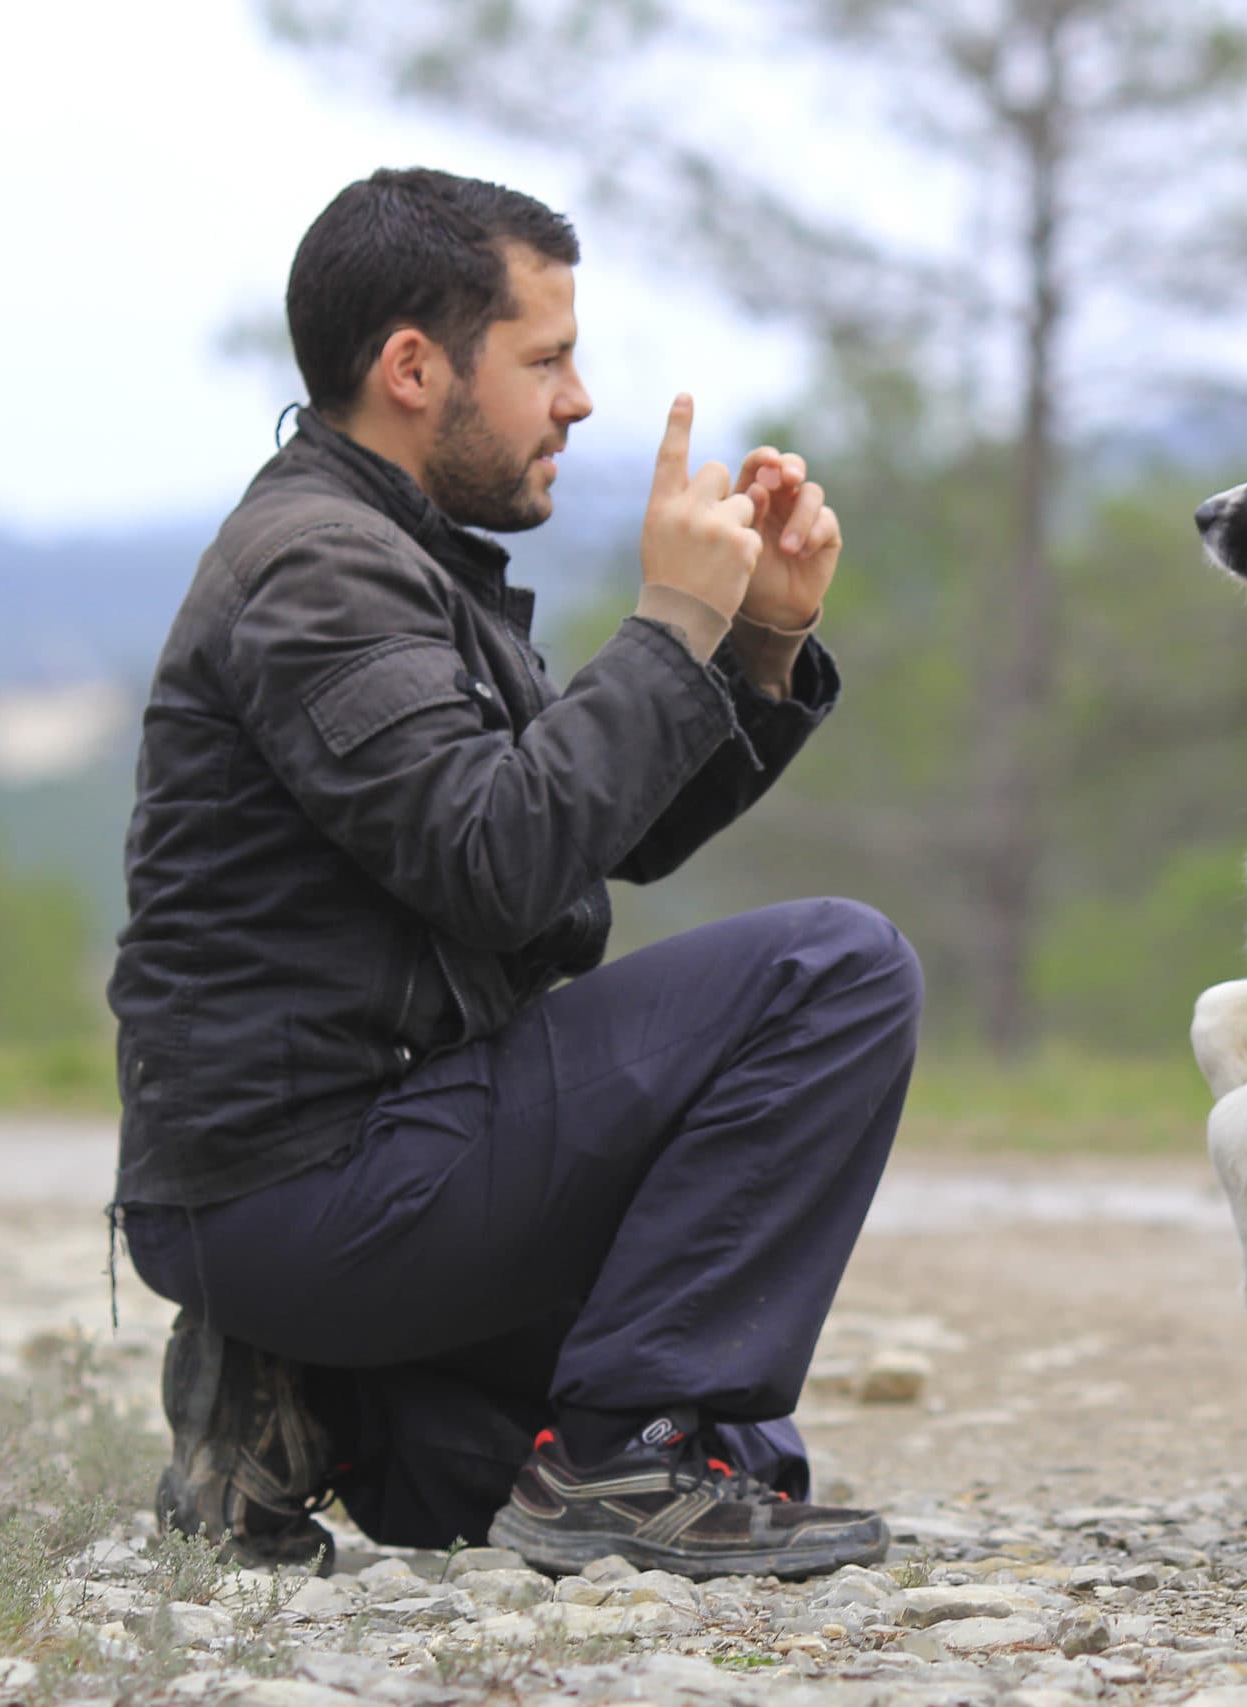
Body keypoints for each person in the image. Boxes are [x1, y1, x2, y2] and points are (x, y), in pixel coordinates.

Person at [107, 167, 922, 1580]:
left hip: (357, 1180)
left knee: (739, 1450)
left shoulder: (396, 556)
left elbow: (596, 833)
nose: (580, 399)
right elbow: (503, 864)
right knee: (835, 969)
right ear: (413, 367)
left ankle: (306, 1402)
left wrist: (758, 648)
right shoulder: (318, 574)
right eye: (546, 359)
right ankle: (595, 1469)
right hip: (320, 1179)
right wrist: (672, 619)